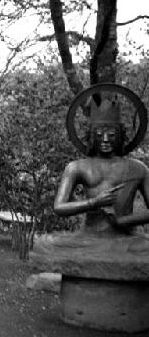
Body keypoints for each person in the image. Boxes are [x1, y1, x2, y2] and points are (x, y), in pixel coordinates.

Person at [33, 87, 149, 259]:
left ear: (121, 136)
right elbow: (59, 207)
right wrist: (93, 202)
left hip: (126, 238)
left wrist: (124, 221)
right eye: (99, 134)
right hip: (88, 237)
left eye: (111, 134)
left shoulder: (138, 168)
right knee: (45, 243)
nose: (105, 140)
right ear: (91, 137)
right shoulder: (77, 167)